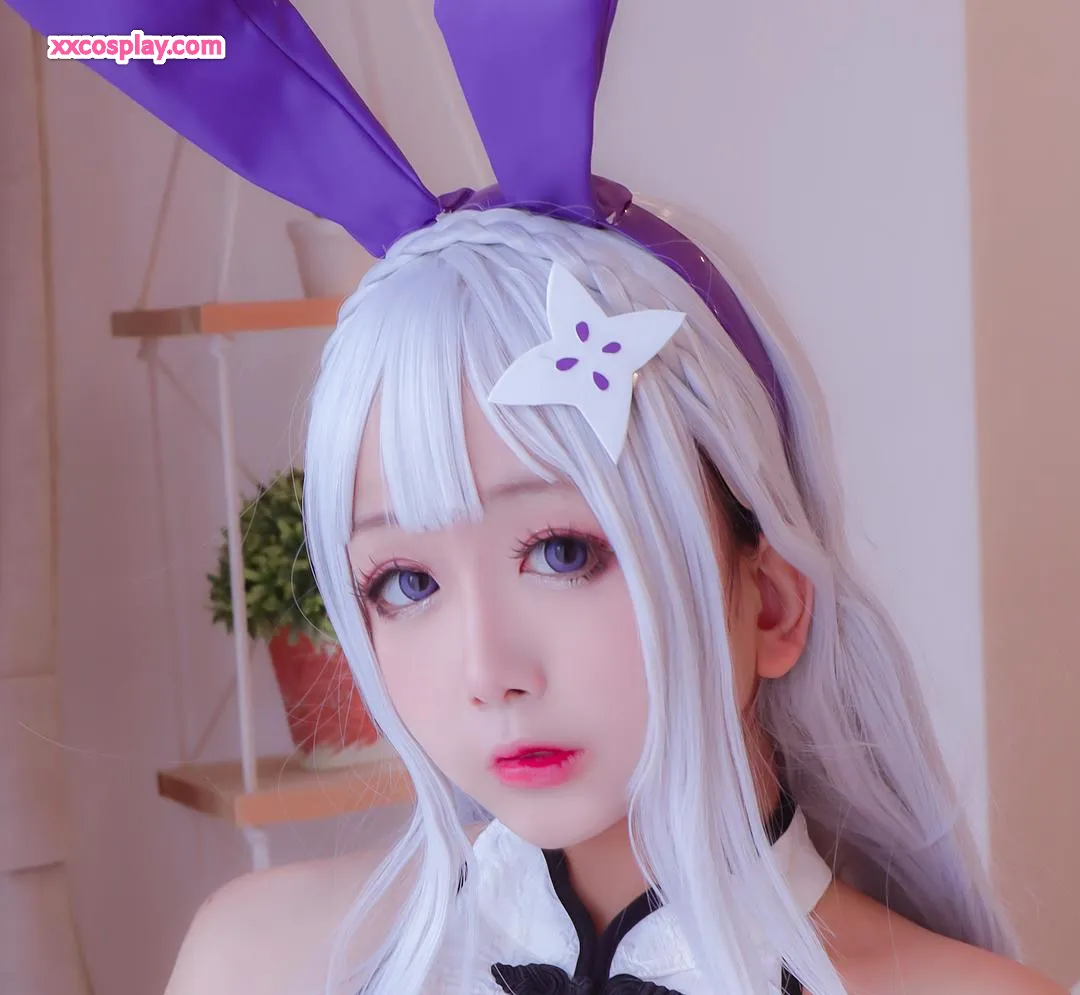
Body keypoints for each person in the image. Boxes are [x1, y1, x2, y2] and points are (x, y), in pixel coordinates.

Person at [2, 1, 1067, 993]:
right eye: (405, 581)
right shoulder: (260, 962)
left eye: (563, 552)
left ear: (774, 603)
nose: (488, 671)